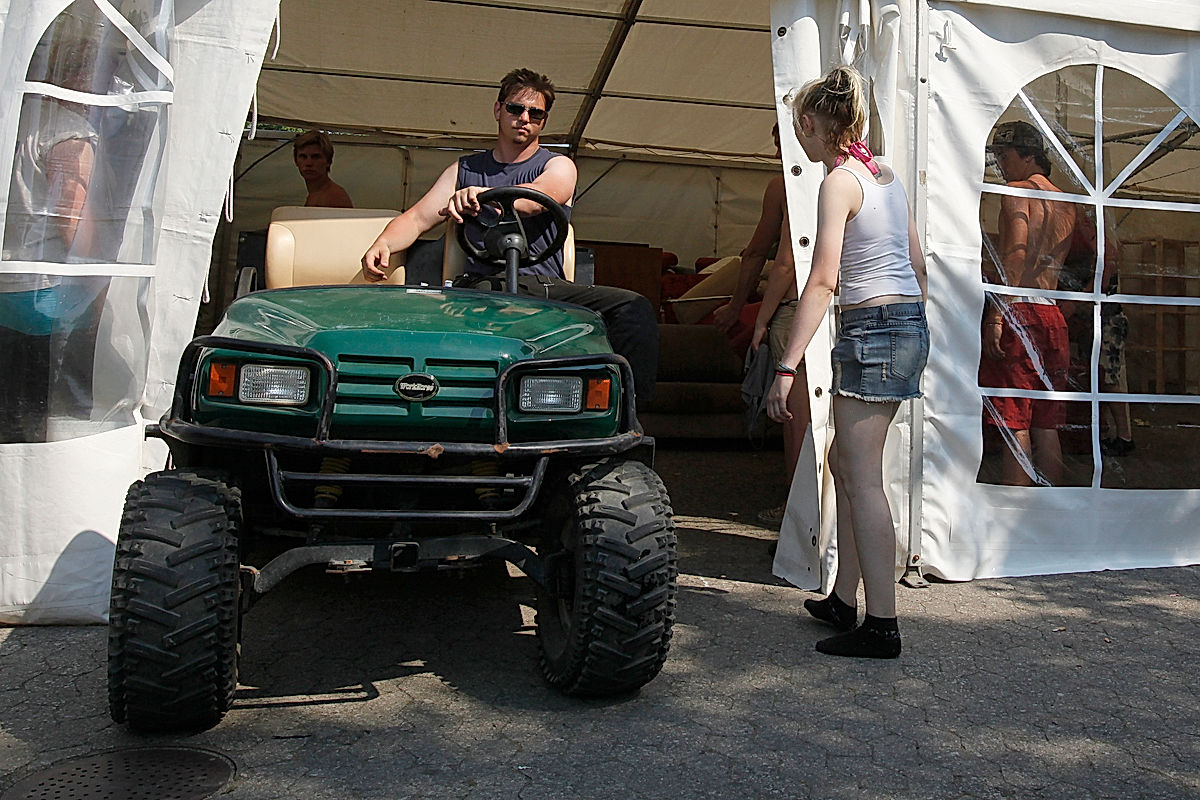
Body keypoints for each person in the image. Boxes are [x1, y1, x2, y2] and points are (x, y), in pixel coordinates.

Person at [362, 68, 658, 402]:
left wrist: (481, 194)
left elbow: (535, 199)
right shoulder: (464, 170)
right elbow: (416, 218)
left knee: (633, 308)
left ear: (543, 122)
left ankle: (627, 412)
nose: (524, 118)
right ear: (498, 110)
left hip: (544, 288)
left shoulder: (558, 165)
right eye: (516, 109)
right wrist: (383, 242)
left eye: (536, 113)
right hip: (481, 286)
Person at [766, 66, 928, 659]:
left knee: (862, 479)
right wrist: (910, 326)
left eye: (797, 132)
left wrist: (785, 367)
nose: (797, 144)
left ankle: (881, 624)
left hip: (874, 327)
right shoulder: (883, 173)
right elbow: (916, 263)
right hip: (900, 323)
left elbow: (823, 278)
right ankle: (842, 597)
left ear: (810, 124)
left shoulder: (836, 182)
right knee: (845, 460)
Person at [979, 121, 1076, 486]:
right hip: (1051, 311)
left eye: (1006, 155)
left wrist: (997, 314)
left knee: (1014, 418)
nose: (1002, 164)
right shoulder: (1067, 203)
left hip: (1020, 309)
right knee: (1046, 421)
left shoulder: (1017, 191)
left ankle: (1014, 509)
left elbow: (1015, 256)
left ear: (1029, 155)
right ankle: (1047, 508)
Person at [294, 129, 353, 208]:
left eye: (316, 157)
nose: (309, 163)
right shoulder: (315, 194)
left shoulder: (335, 197)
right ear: (296, 161)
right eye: (303, 157)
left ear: (328, 161)